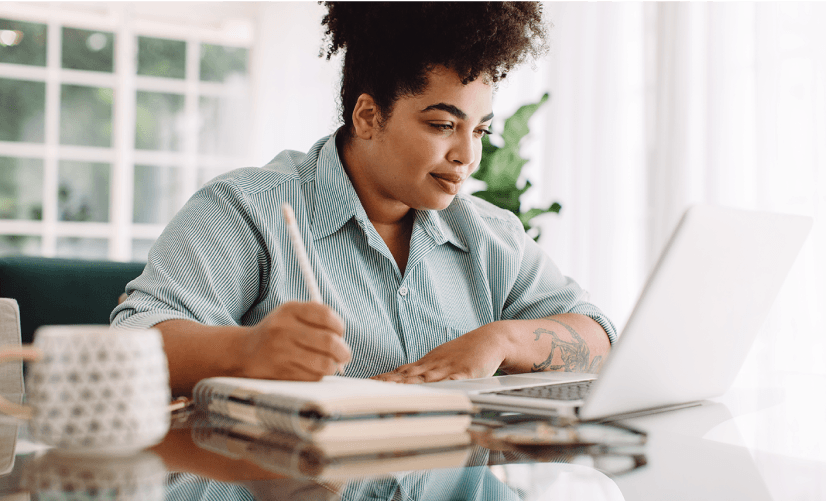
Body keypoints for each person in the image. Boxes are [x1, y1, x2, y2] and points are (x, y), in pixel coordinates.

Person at [111, 1, 616, 397]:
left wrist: (499, 340)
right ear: (368, 117)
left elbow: (599, 339)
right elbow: (129, 347)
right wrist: (248, 349)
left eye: (480, 130)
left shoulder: (490, 237)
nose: (467, 155)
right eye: (442, 125)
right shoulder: (248, 209)